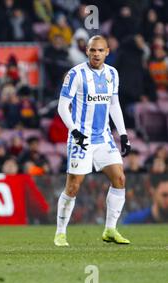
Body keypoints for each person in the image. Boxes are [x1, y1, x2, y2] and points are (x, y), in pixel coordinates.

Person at [54, 35, 132, 247]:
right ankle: (60, 233)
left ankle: (110, 229)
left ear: (107, 51)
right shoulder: (76, 74)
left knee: (119, 178)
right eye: (92, 50)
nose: (96, 54)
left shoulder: (112, 74)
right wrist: (74, 130)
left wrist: (123, 134)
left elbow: (114, 105)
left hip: (104, 137)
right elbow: (62, 107)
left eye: (100, 50)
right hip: (81, 138)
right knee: (73, 186)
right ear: (86, 51)